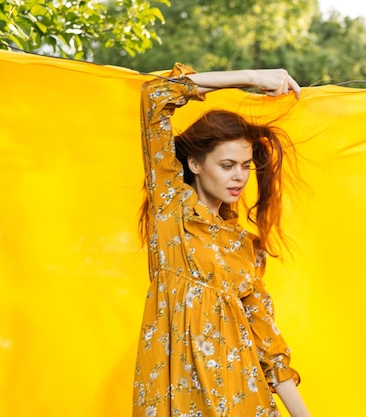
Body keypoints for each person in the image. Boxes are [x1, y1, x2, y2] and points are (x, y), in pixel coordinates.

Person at [133, 63, 310, 417]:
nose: (240, 176)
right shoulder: (172, 211)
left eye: (245, 165)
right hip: (179, 401)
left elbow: (269, 346)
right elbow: (156, 95)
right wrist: (251, 78)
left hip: (245, 400)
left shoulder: (245, 247)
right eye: (227, 164)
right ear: (196, 164)